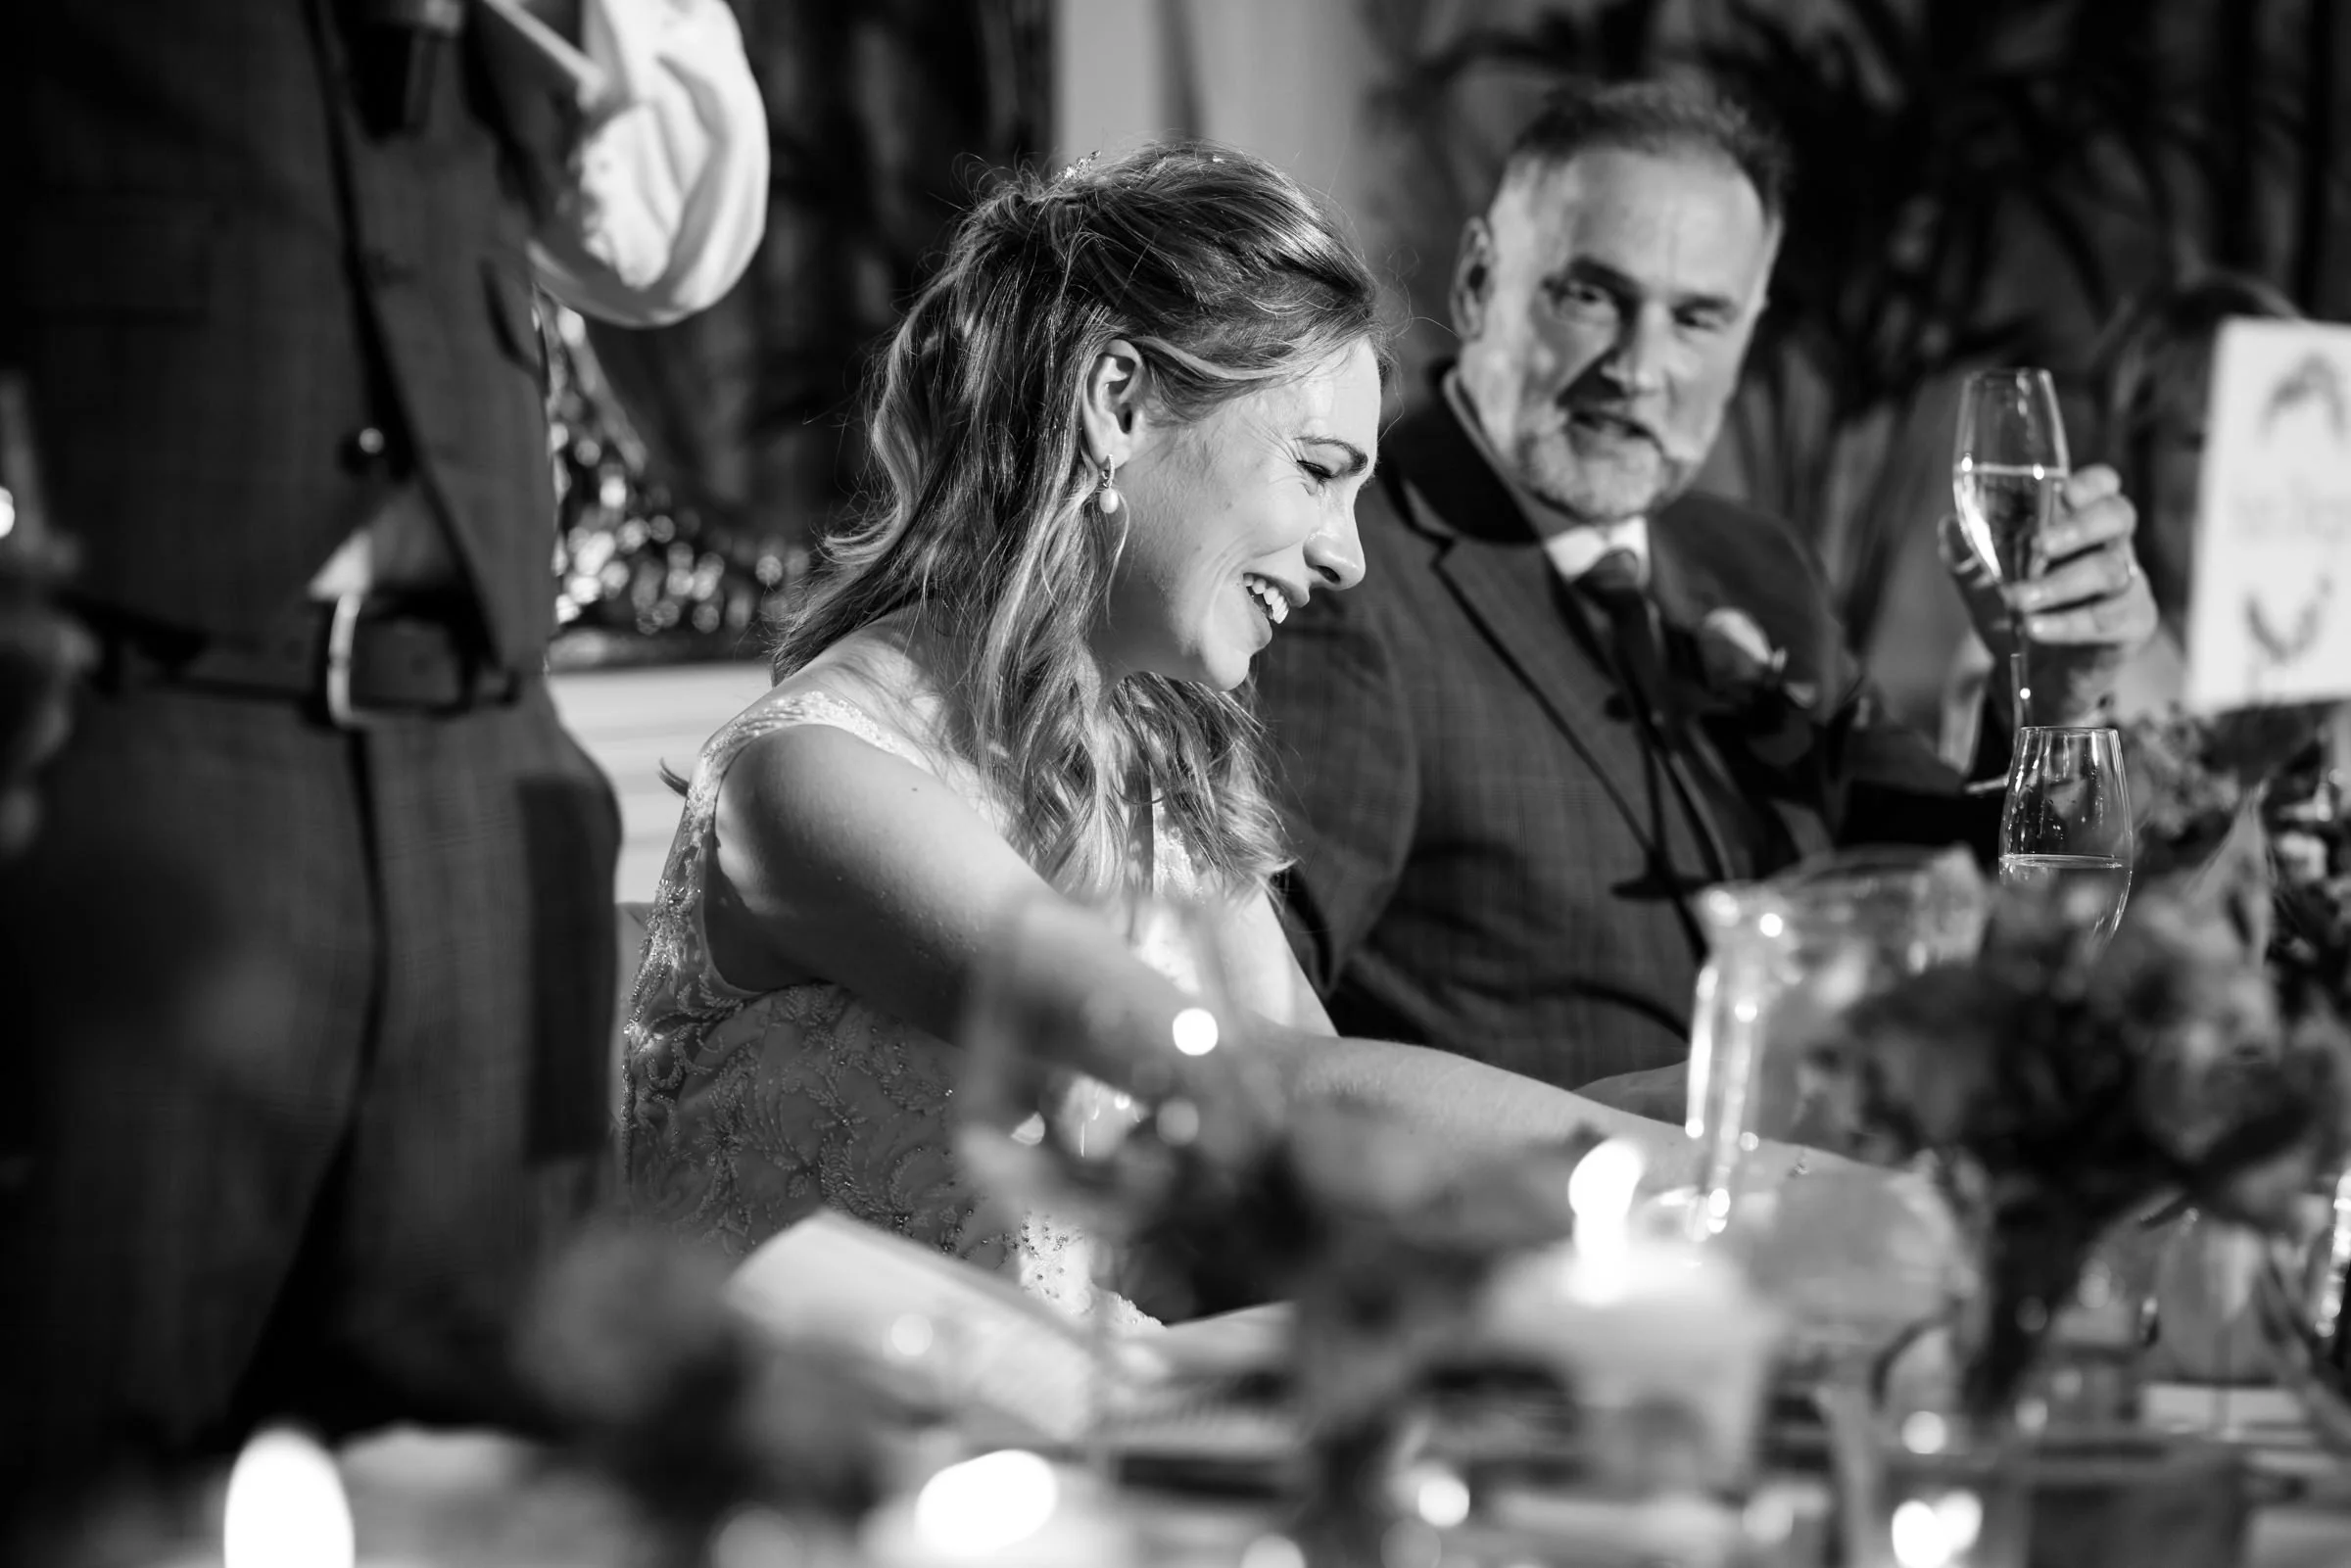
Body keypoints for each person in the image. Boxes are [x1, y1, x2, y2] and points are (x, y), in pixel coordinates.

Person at [622, 143, 1818, 1322]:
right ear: (1120, 401)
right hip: (805, 1478)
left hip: (1075, 1441)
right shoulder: (812, 776)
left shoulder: (1152, 753)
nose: (1348, 553)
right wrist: (1761, 1195)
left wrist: (1715, 1112)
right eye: (1317, 469)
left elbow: (1327, 1135)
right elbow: (1256, 1095)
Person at [0, 0, 764, 1494]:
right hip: (140, 736)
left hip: (482, 761)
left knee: (485, 1458)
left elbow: (674, 237)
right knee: (78, 1454)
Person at [1253, 81, 2157, 1111]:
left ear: (1746, 334)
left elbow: (1961, 894)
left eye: (1697, 318)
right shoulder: (1343, 573)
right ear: (1475, 283)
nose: (1640, 369)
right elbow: (1272, 1037)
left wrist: (2061, 700)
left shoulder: (1755, 564)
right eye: (1590, 295)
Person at [1942, 270, 2301, 761]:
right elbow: (1975, 828)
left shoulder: (2321, 673)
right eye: (2206, 438)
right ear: (2136, 454)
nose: (2252, 477)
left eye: (2278, 440)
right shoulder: (2041, 650)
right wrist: (2053, 710)